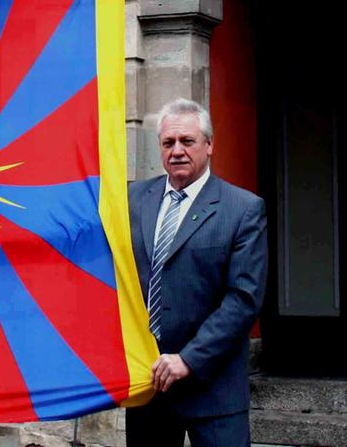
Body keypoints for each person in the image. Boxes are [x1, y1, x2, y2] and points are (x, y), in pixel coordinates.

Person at [127, 98, 267, 447]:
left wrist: (188, 360)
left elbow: (243, 300)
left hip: (215, 391)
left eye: (187, 141)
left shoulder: (243, 209)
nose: (177, 151)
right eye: (168, 143)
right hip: (149, 388)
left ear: (210, 145)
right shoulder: (133, 199)